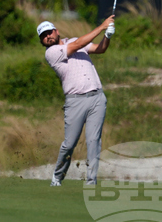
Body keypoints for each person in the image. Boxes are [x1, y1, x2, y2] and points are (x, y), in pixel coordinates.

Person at [39, 15, 115, 186]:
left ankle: (91, 181)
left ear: (56, 31)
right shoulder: (51, 53)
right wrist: (102, 26)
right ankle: (57, 176)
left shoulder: (73, 41)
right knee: (69, 144)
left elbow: (100, 49)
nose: (47, 37)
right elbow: (78, 45)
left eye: (49, 32)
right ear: (42, 41)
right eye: (43, 36)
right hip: (75, 101)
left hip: (97, 97)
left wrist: (107, 36)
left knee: (94, 141)